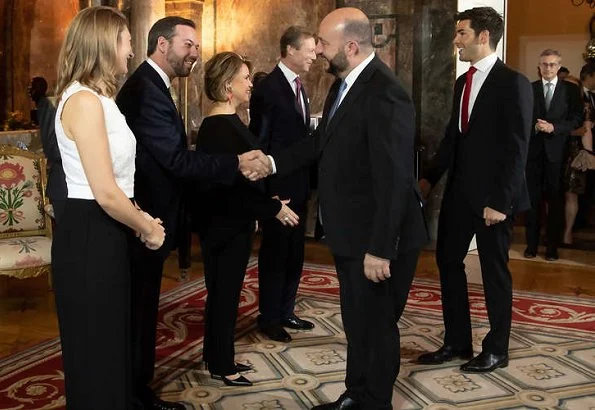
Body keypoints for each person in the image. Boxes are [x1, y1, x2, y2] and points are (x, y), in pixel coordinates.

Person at [273, 8, 428, 409]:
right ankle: (355, 395)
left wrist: (380, 247)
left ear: (352, 46)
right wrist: (270, 163)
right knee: (359, 323)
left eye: (323, 43)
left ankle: (375, 402)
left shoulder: (385, 91)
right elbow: (320, 142)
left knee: (376, 327)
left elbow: (394, 178)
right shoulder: (344, 84)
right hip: (350, 232)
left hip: (376, 236)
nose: (319, 50)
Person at [116, 16, 271, 410]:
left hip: (155, 215)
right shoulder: (147, 90)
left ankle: (137, 388)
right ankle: (135, 393)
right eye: (188, 45)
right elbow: (174, 160)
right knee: (139, 308)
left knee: (144, 306)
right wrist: (233, 163)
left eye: (197, 47)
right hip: (145, 217)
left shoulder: (154, 87)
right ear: (162, 45)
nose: (195, 54)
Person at [51, 6, 165, 410]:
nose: (131, 53)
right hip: (89, 232)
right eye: (127, 43)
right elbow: (103, 190)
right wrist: (147, 228)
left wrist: (137, 217)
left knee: (111, 344)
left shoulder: (101, 98)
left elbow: (117, 181)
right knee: (96, 350)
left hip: (106, 227)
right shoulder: (82, 101)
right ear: (104, 44)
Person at [417, 7, 533, 374]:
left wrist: (501, 201)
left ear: (483, 36)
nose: (456, 41)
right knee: (448, 261)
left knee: (494, 271)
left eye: (462, 33)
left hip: (494, 200)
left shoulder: (512, 82)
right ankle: (456, 341)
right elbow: (454, 139)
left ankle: (497, 349)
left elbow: (518, 148)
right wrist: (428, 180)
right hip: (459, 195)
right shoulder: (461, 83)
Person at [195, 51, 299, 387]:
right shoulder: (217, 127)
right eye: (245, 78)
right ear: (228, 87)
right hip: (223, 224)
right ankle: (222, 365)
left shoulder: (229, 123)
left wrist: (265, 199)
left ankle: (217, 356)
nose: (251, 83)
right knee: (224, 293)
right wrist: (272, 209)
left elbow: (243, 179)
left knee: (225, 292)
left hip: (233, 222)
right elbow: (230, 189)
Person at [249, 26, 317, 343]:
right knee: (275, 254)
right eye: (310, 49)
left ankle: (286, 310)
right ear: (290, 50)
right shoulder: (268, 88)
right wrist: (270, 195)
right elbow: (260, 143)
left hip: (299, 185)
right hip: (278, 189)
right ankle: (269, 317)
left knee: (295, 253)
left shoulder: (298, 86)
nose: (315, 55)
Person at [524, 49, 582, 260]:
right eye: (544, 64)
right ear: (539, 67)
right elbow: (519, 119)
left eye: (552, 64)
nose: (548, 68)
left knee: (555, 202)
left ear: (559, 66)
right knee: (532, 201)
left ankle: (552, 248)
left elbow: (576, 119)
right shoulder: (529, 89)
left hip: (558, 154)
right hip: (533, 154)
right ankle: (531, 246)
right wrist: (536, 127)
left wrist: (554, 127)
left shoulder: (571, 91)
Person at [563, 69, 595, 245]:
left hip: (575, 152)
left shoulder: (584, 106)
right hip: (559, 151)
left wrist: (589, 153)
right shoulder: (557, 104)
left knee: (571, 194)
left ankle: (567, 232)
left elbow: (586, 130)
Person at [29, 77, 67, 222]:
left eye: (31, 86)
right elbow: (52, 147)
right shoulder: (47, 104)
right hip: (63, 184)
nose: (29, 90)